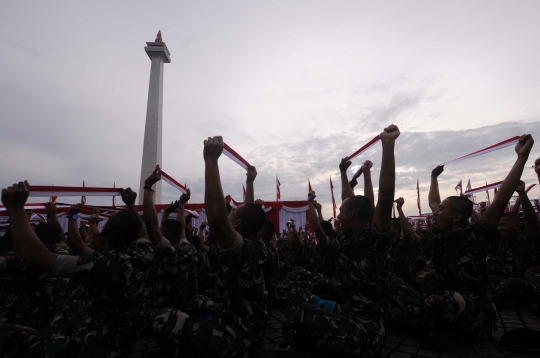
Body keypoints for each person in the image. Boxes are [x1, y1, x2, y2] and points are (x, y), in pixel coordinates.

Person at [0, 181, 155, 357]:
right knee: (72, 307)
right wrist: (131, 205)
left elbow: (37, 256)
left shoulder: (106, 264)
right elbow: (143, 231)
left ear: (106, 240)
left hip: (98, 347)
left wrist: (15, 208)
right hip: (126, 335)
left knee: (7, 334)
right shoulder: (145, 252)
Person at [283, 124, 399, 357]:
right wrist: (344, 172)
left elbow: (384, 200)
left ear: (352, 215)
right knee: (297, 294)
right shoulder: (345, 243)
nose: (339, 214)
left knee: (303, 314)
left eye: (342, 210)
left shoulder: (374, 241)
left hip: (368, 332)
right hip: (347, 312)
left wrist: (388, 145)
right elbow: (350, 202)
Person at [152, 136, 270, 357]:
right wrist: (250, 183)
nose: (229, 214)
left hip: (239, 336)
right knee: (196, 300)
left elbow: (216, 218)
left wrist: (211, 160)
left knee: (162, 318)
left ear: (235, 224)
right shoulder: (252, 243)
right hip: (240, 317)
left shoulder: (245, 250)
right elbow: (250, 215)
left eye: (232, 214)